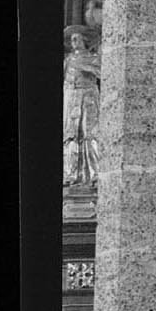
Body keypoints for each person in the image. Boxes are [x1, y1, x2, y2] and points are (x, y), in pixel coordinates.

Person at [62, 25, 102, 190]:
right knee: (71, 135)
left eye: (77, 39)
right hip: (71, 97)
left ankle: (94, 173)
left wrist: (86, 67)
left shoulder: (93, 58)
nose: (74, 42)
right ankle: (70, 174)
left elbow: (102, 73)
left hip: (88, 98)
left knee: (89, 133)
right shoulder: (68, 60)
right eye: (72, 40)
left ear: (84, 40)